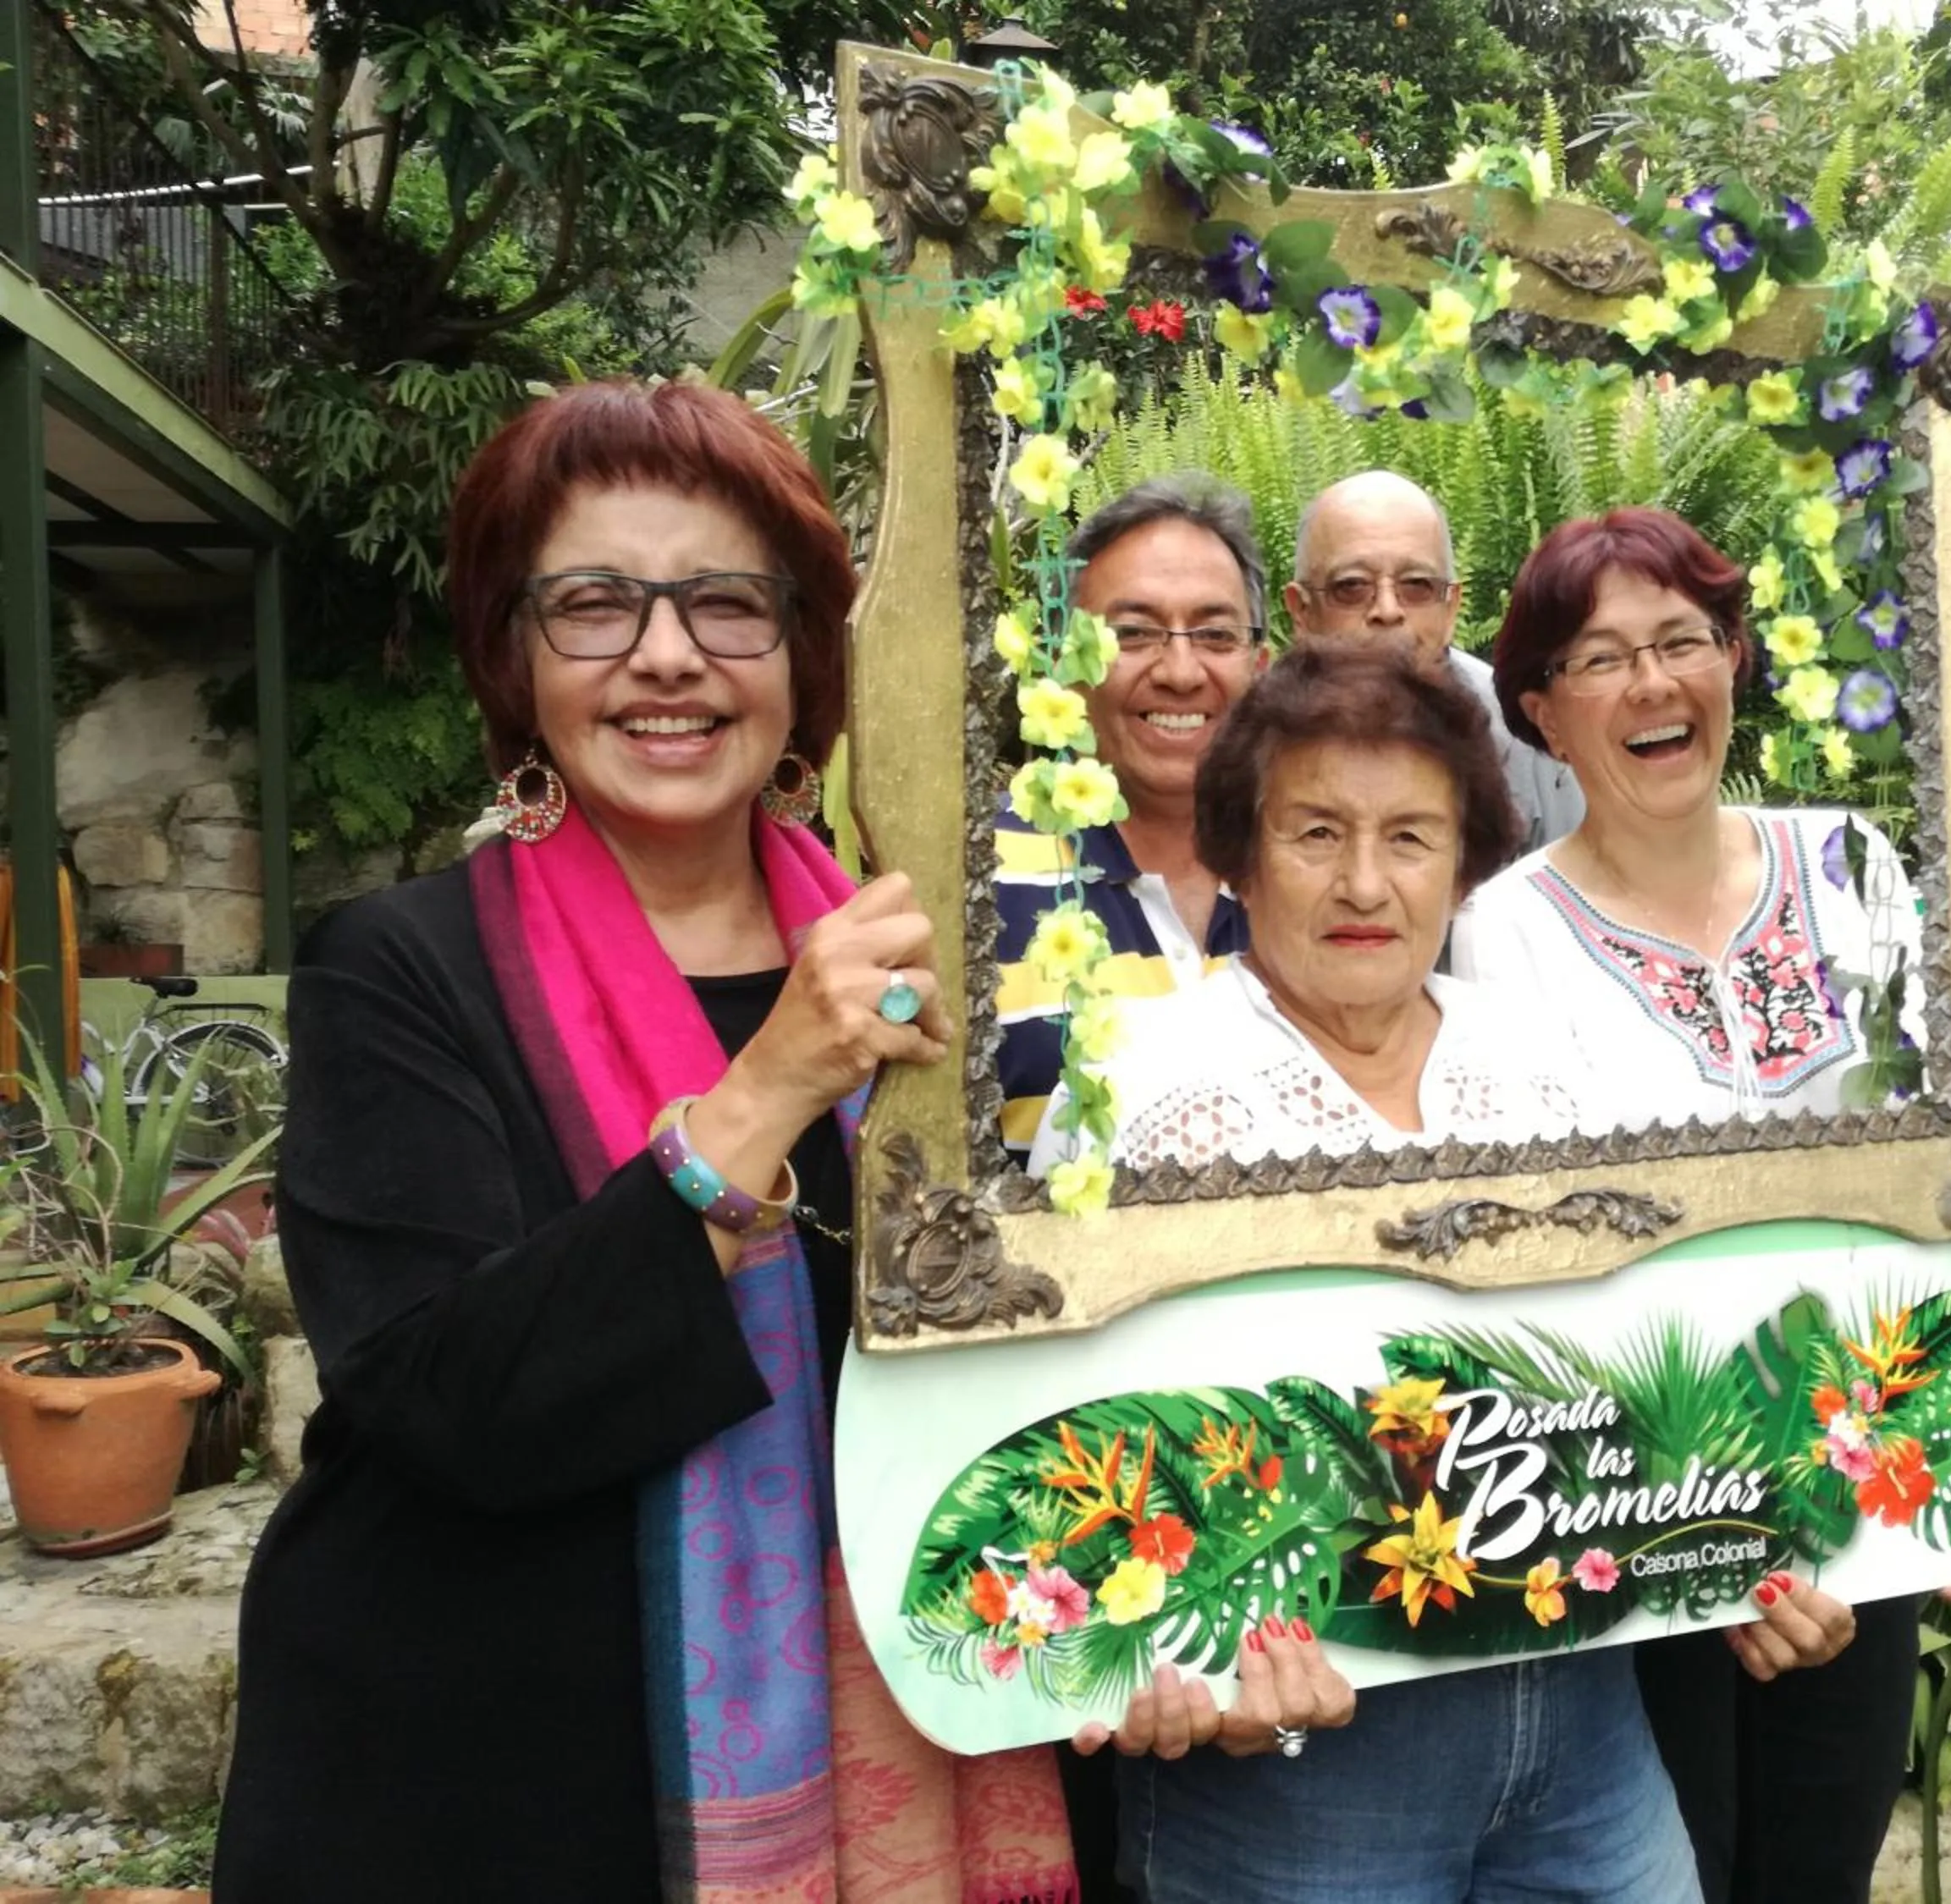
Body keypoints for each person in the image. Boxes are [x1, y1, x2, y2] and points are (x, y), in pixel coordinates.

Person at [213, 381, 1081, 1903]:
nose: (667, 654)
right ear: (515, 655)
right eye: (596, 604)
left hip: (909, 1733)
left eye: (728, 604)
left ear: (804, 657)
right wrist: (765, 1091)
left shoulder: (931, 961)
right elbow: (441, 1404)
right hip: (493, 1779)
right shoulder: (400, 969)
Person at [1034, 639, 1861, 1904]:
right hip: (1297, 1769)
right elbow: (1058, 1429)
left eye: (1412, 836)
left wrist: (1759, 1555)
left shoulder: (1559, 1063)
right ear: (1241, 850)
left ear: (1465, 862)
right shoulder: (1143, 1085)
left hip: (1588, 1735)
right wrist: (1148, 1654)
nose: (1364, 880)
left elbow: (1668, 1348)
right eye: (1316, 831)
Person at [1452, 506, 1951, 1904]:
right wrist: (1726, 1539)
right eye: (1603, 658)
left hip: (1868, 1487)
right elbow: (1545, 1260)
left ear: (1736, 661)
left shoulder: (1852, 868)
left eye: (1682, 641)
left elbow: (1949, 1138)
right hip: (1646, 1501)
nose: (1651, 684)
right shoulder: (1501, 933)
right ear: (1542, 714)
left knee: (1821, 1867)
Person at [994, 474, 1268, 1163]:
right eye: (1134, 633)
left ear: (1260, 666)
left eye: (1214, 633)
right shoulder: (973, 878)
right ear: (1064, 662)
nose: (1180, 671)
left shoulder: (1327, 868)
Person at [1287, 470, 1584, 851]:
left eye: (1416, 586)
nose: (1387, 610)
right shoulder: (1255, 742)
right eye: (1352, 587)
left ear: (1451, 608)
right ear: (1301, 611)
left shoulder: (1521, 736)